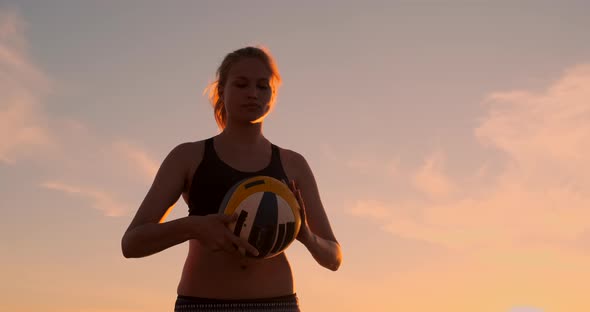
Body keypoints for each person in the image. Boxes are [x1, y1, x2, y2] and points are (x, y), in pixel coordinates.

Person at [121, 46, 342, 311]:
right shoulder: (188, 157)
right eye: (241, 84)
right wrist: (195, 226)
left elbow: (333, 257)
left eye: (263, 86)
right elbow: (132, 242)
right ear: (221, 91)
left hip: (276, 305)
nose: (252, 93)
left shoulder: (293, 164)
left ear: (273, 94)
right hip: (202, 305)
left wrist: (306, 235)